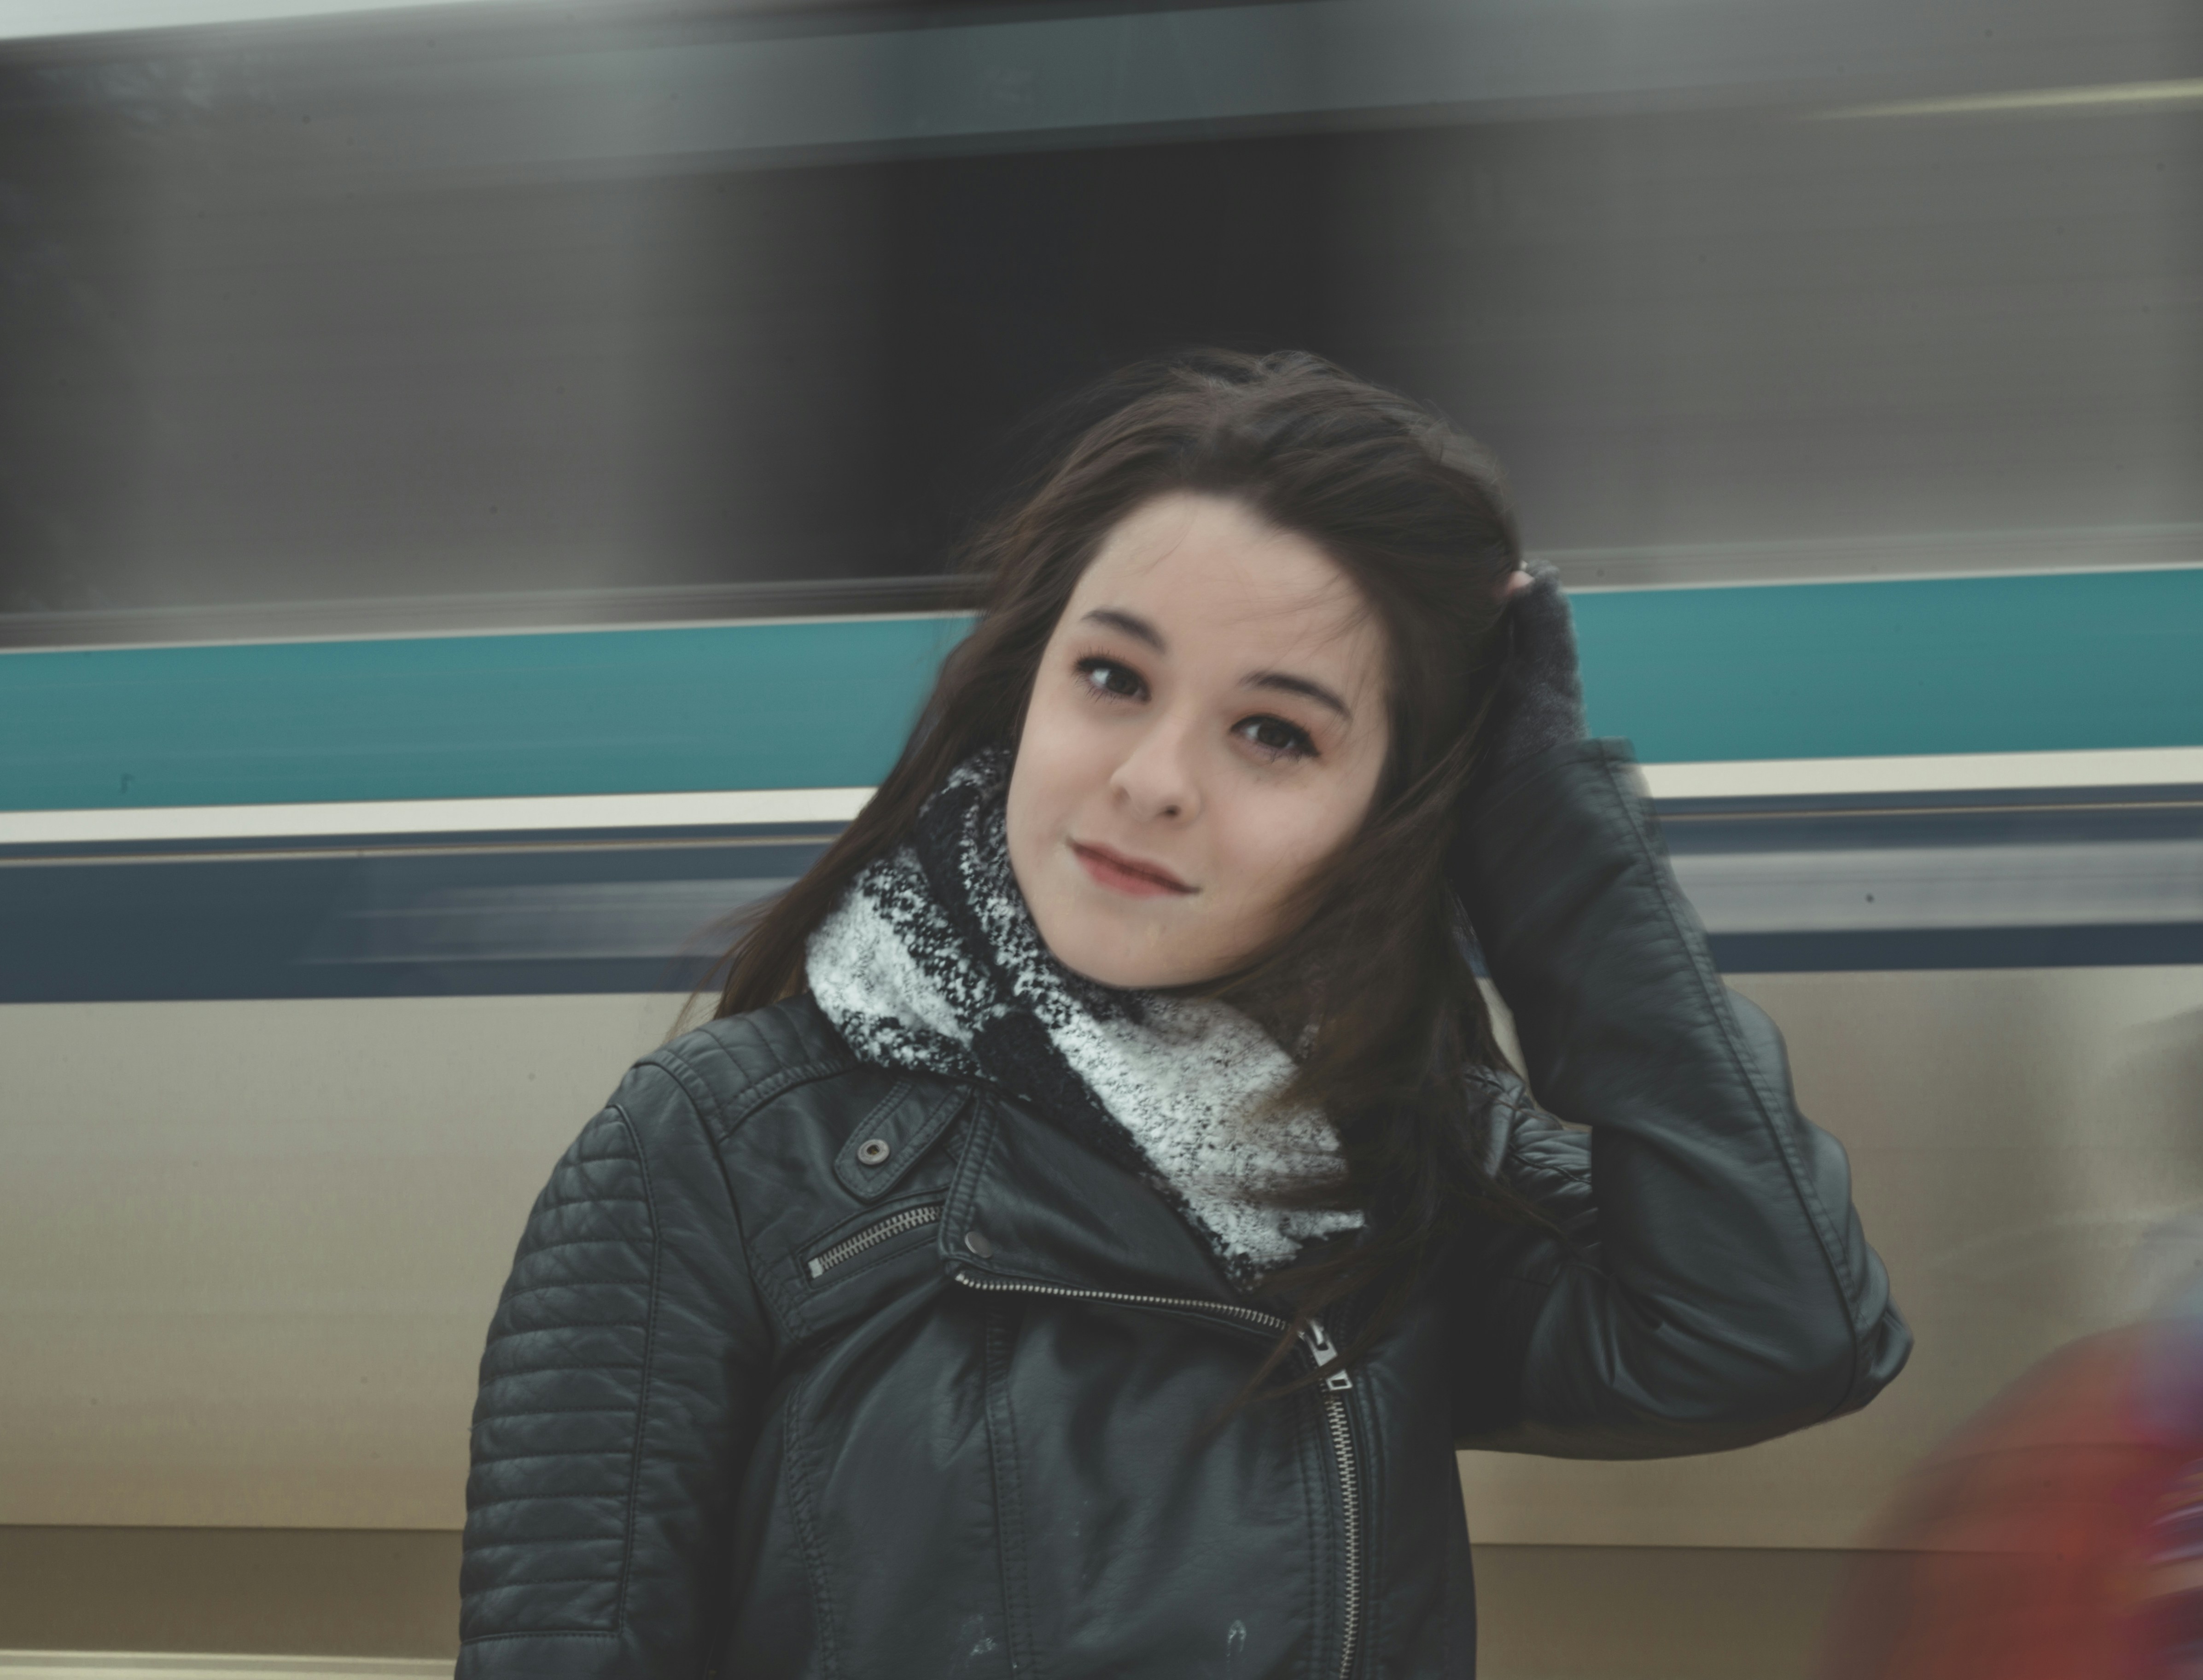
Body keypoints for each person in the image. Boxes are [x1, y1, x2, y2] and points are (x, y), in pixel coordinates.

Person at [455, 350, 1911, 1679]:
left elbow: (1776, 1330)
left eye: (1274, 733)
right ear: (1025, 686)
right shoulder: (718, 1155)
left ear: (1392, 815)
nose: (1156, 777)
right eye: (1112, 676)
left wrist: (1548, 841)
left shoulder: (1382, 1162)